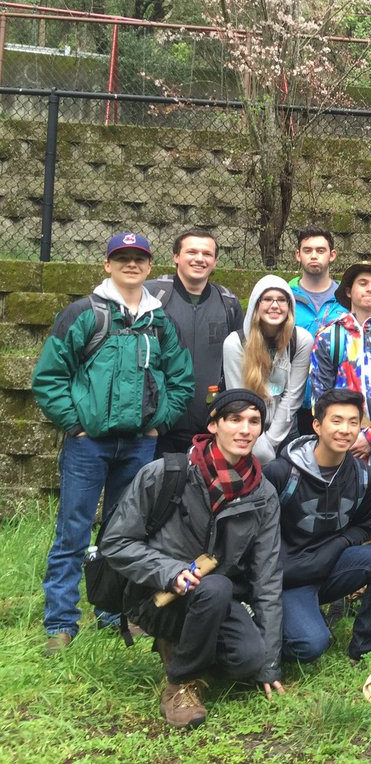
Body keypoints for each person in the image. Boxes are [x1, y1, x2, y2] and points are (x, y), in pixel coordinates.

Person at [33, 231, 193, 654]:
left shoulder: (160, 321)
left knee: (125, 534)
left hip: (139, 444)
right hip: (89, 445)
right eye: (121, 258)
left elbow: (181, 380)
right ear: (107, 264)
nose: (130, 264)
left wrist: (158, 423)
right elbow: (49, 378)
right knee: (73, 531)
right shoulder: (83, 314)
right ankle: (61, 623)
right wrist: (76, 424)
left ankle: (114, 612)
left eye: (138, 258)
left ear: (149, 265)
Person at [100, 390, 284, 729]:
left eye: (254, 422)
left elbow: (268, 576)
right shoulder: (165, 473)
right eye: (235, 419)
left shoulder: (263, 494)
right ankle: (180, 684)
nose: (245, 430)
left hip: (214, 598)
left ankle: (184, 645)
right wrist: (170, 572)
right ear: (214, 425)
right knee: (215, 586)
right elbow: (116, 542)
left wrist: (270, 662)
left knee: (249, 661)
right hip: (157, 596)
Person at [265, 388, 371, 665]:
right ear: (317, 425)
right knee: (311, 645)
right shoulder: (281, 473)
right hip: (287, 577)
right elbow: (256, 534)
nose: (345, 430)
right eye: (336, 421)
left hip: (331, 567)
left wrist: (337, 546)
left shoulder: (364, 477)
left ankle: (368, 644)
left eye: (353, 422)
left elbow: (365, 527)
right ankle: (263, 621)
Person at [309, 262, 371, 547]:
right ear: (349, 291)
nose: (369, 289)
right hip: (337, 445)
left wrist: (369, 437)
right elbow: (320, 394)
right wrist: (344, 434)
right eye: (363, 283)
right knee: (335, 521)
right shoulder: (330, 336)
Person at [148, 228, 243, 455]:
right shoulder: (152, 296)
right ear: (176, 257)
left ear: (215, 261)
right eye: (192, 252)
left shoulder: (228, 303)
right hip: (157, 425)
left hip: (209, 424)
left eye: (207, 254)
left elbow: (237, 362)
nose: (199, 259)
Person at [222, 276, 314, 461]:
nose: (275, 305)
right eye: (267, 299)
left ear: (290, 306)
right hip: (246, 426)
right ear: (256, 303)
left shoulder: (301, 340)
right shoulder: (235, 343)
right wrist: (258, 444)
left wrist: (269, 443)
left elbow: (292, 397)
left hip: (286, 426)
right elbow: (239, 398)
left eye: (281, 300)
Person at [290, 227, 348, 436]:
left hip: (337, 399)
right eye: (307, 250)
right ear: (298, 255)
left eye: (320, 250)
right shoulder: (283, 297)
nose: (313, 255)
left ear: (332, 255)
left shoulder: (348, 299)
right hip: (292, 401)